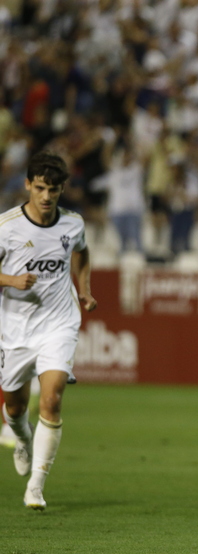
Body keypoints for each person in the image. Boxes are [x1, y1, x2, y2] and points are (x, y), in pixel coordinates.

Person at [0, 152, 97, 509]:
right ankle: (22, 438)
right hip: (15, 329)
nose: (45, 197)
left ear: (61, 190)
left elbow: (82, 254)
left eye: (53, 190)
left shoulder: (73, 224)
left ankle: (36, 487)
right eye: (39, 188)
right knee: (14, 407)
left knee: (52, 397)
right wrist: (11, 279)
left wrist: (83, 289)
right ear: (27, 185)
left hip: (59, 322)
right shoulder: (7, 226)